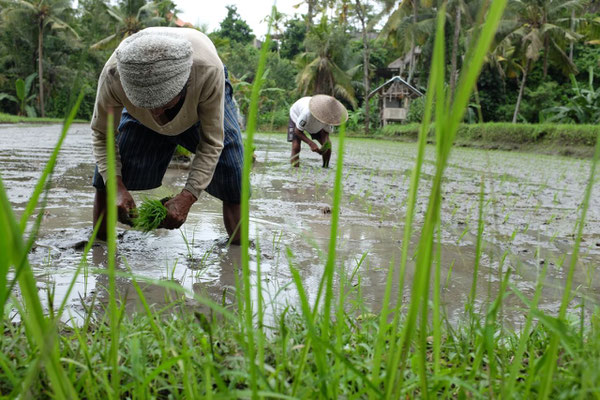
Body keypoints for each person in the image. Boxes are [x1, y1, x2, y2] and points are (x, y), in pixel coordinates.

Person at [91, 27, 244, 244]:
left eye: (163, 103)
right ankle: (100, 245)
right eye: (146, 103)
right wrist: (115, 186)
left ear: (183, 86)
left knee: (232, 166)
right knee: (104, 178)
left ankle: (238, 252)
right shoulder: (114, 75)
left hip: (199, 103)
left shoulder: (207, 72)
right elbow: (102, 134)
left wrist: (188, 196)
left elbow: (212, 143)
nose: (155, 114)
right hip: (137, 116)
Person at [287, 95, 348, 168]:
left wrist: (325, 145)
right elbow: (298, 131)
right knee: (296, 146)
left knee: (328, 145)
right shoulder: (307, 113)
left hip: (314, 124)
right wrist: (311, 143)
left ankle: (325, 167)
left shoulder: (330, 118)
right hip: (296, 116)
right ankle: (294, 169)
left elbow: (326, 133)